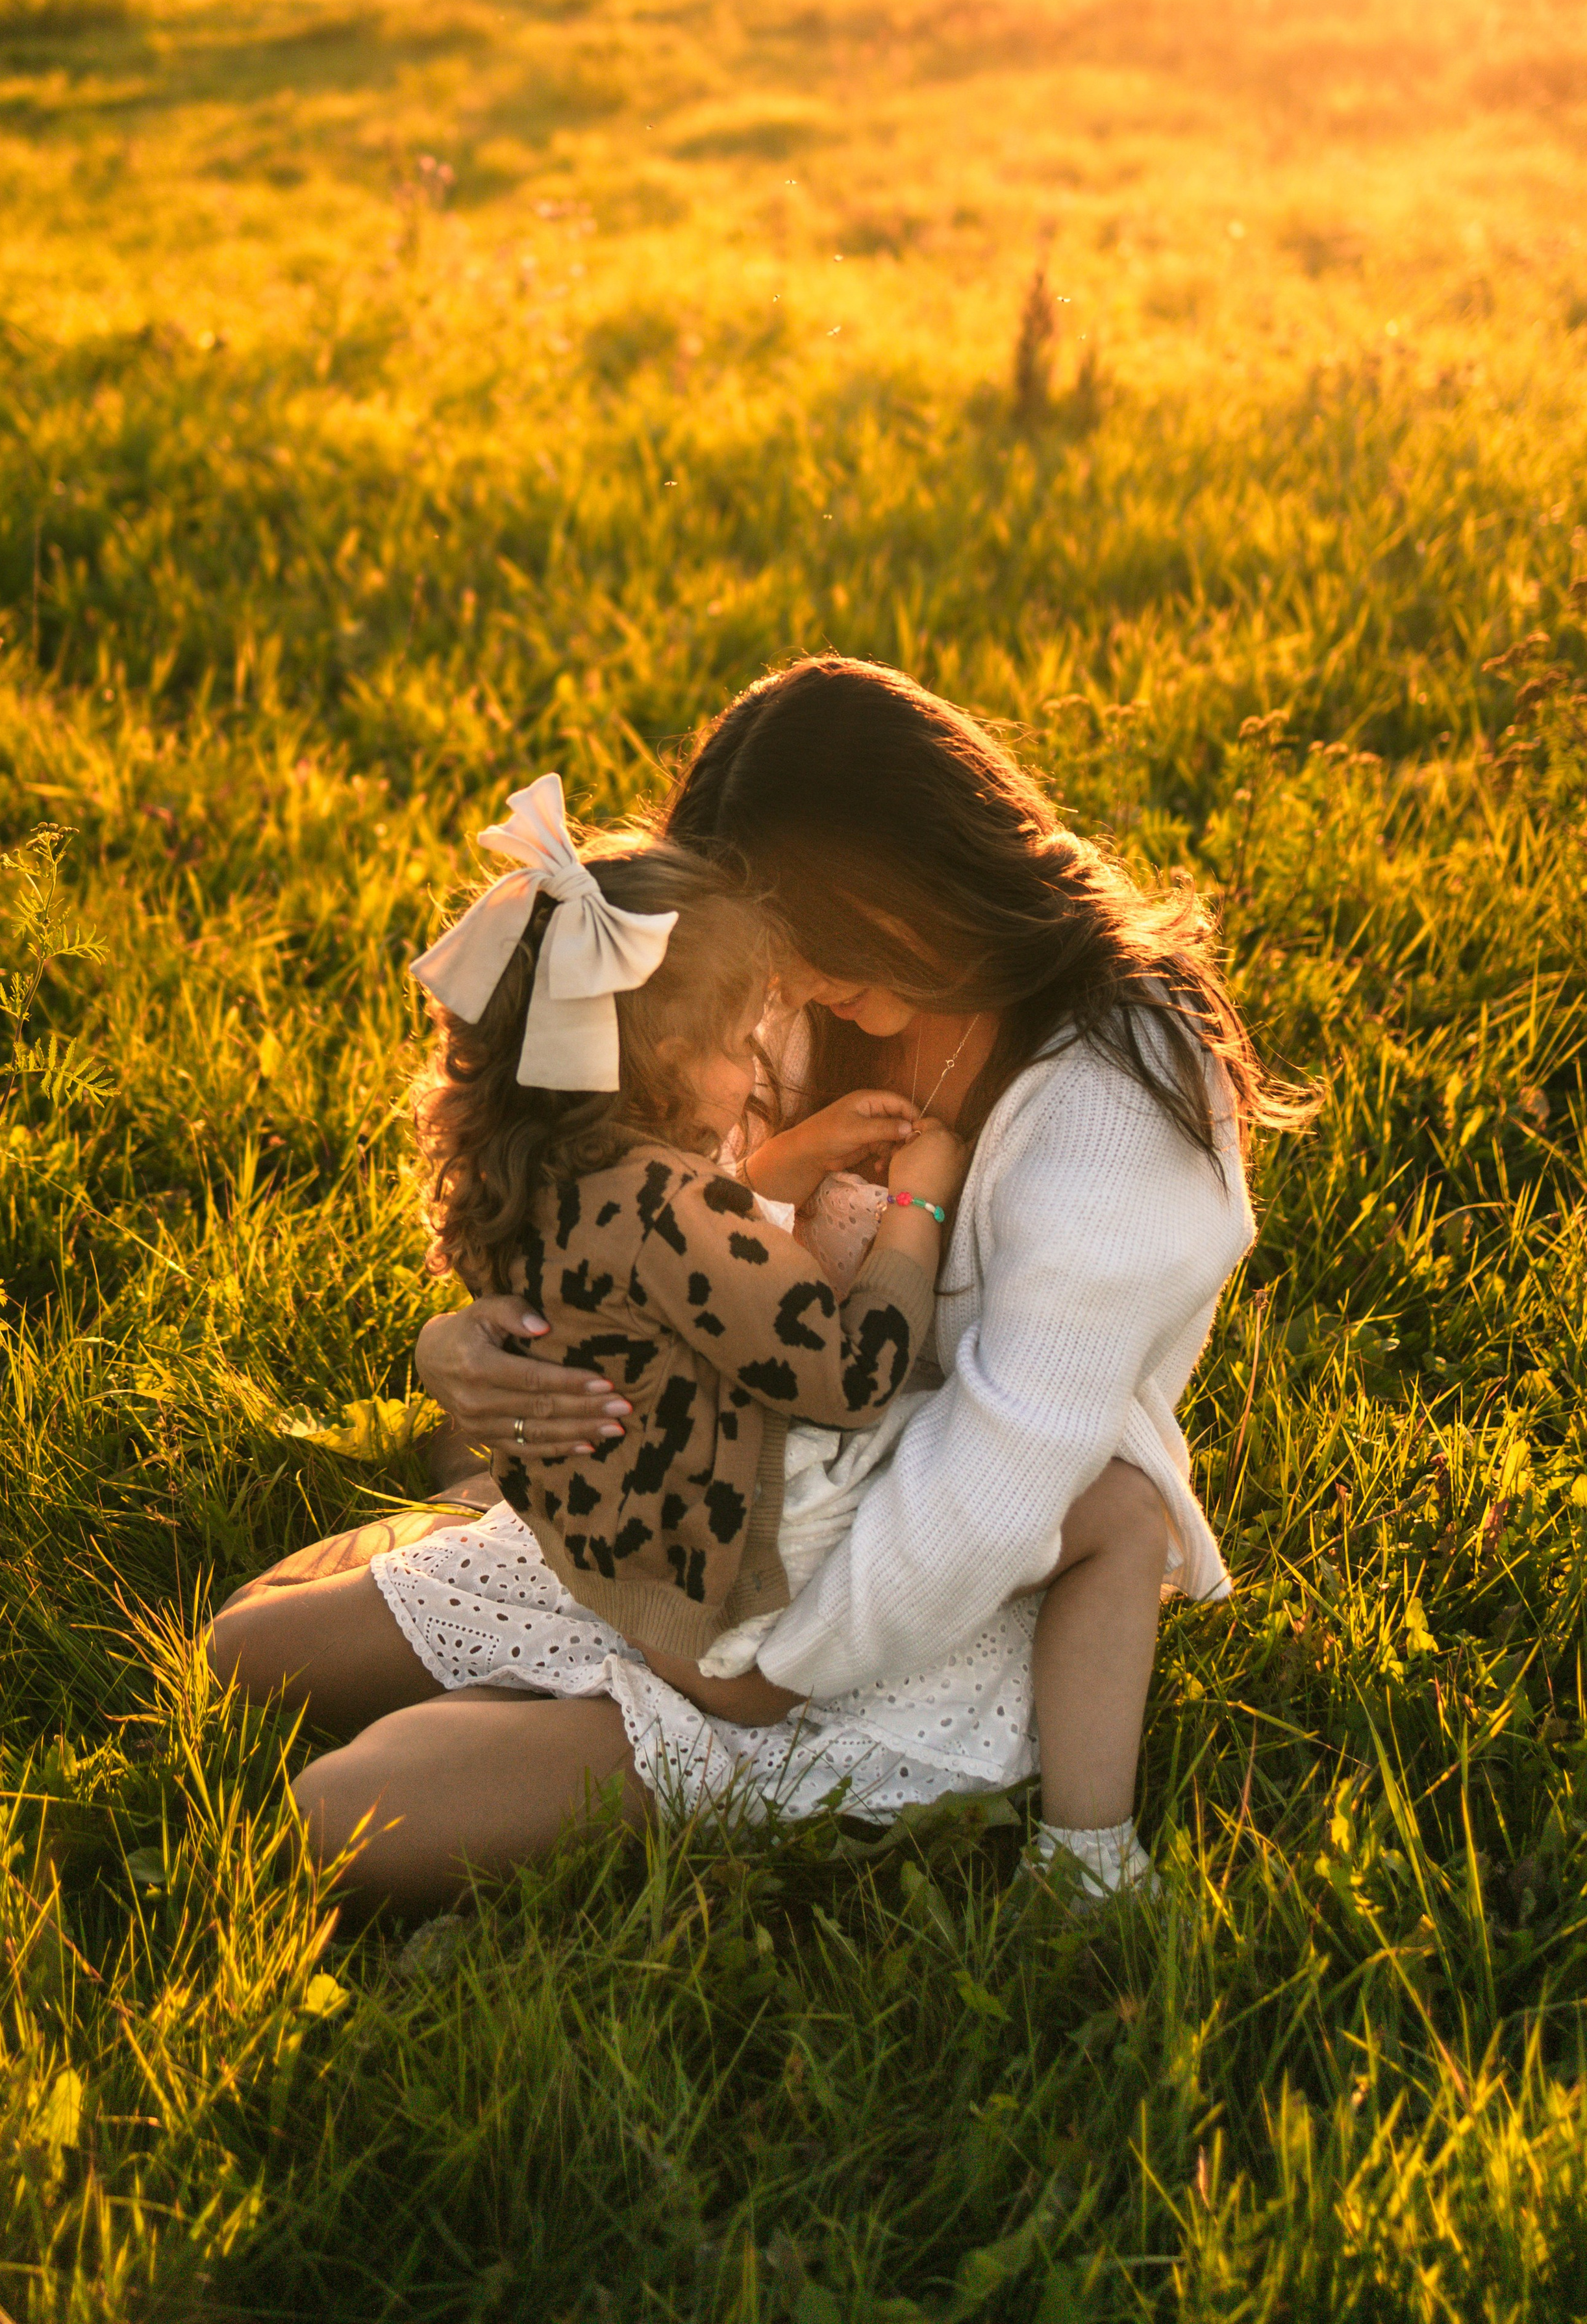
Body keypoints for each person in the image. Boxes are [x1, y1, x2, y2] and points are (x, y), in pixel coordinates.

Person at [211, 661, 1296, 1911]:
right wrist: (470, 1345)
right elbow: (653, 1226)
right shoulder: (811, 996)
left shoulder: (1122, 1092)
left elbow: (1005, 1471)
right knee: (247, 1652)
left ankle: (596, 1709)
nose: (799, 987)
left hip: (909, 1600)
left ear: (918, 869)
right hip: (713, 1505)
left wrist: (773, 1667)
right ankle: (523, 1595)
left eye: (814, 937)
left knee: (338, 1826)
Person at [394, 769, 964, 1673]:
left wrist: (778, 1166)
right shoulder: (670, 1208)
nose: (752, 1071)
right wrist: (915, 1209)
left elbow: (672, 1282)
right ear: (669, 1061)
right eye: (741, 1046)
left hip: (592, 1535)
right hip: (718, 1570)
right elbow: (852, 1381)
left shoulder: (537, 1165)